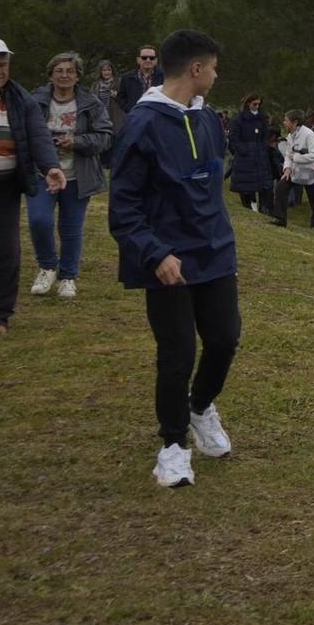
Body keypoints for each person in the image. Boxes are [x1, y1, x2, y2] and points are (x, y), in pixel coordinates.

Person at [104, 30, 239, 487]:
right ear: (196, 70)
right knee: (177, 353)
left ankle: (200, 407)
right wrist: (155, 252)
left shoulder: (208, 120)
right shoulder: (141, 126)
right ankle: (174, 445)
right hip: (168, 261)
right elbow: (123, 209)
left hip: (215, 253)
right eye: (214, 68)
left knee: (224, 340)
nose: (217, 76)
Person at [0, 37, 65, 335]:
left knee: (1, 254)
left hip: (2, 190)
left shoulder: (21, 100)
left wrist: (50, 167)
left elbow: (38, 136)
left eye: (3, 65)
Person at [26, 52, 116, 300]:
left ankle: (67, 277)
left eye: (70, 71)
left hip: (78, 175)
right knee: (39, 221)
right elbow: (24, 134)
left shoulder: (92, 103)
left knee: (71, 229)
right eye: (59, 71)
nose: (64, 75)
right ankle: (47, 266)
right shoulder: (35, 101)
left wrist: (76, 141)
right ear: (50, 75)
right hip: (42, 174)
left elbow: (106, 137)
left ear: (77, 76)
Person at [276, 109, 314, 236]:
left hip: (313, 173)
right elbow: (287, 154)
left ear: (294, 122)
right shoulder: (290, 136)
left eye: (286, 121)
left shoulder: (308, 134)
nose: (284, 123)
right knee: (281, 187)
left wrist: (296, 157)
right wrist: (287, 168)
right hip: (296, 171)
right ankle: (280, 218)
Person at [228, 94, 273, 217]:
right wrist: (243, 150)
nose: (257, 106)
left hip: (260, 156)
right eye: (254, 104)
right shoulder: (238, 119)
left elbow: (265, 136)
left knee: (264, 185)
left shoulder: (262, 118)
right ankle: (248, 207)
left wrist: (263, 148)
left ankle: (264, 209)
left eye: (259, 104)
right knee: (246, 185)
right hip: (245, 158)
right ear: (248, 103)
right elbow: (233, 138)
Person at [113, 43, 163, 115]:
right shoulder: (127, 78)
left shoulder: (165, 77)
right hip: (135, 117)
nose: (148, 60)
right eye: (144, 57)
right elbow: (121, 98)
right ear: (138, 60)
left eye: (151, 58)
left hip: (157, 118)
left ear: (156, 60)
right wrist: (130, 109)